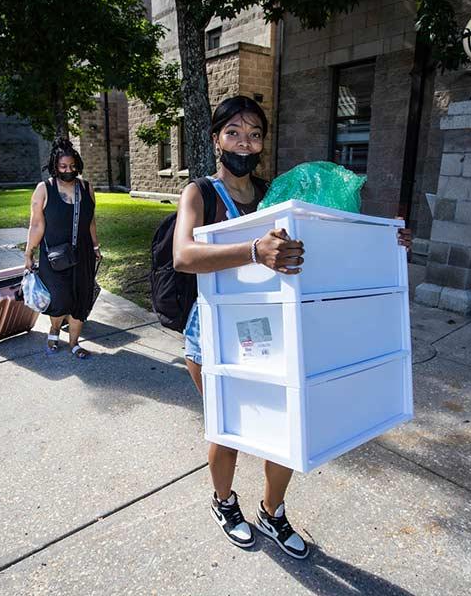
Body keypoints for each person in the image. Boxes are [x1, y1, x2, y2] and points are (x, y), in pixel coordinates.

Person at [172, 96, 412, 559]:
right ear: (215, 138)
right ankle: (224, 502)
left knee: (282, 426)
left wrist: (386, 241)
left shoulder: (277, 193)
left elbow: (327, 241)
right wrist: (252, 251)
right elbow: (183, 256)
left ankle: (272, 511)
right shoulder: (198, 193)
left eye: (254, 134)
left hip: (275, 330)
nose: (245, 142)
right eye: (234, 132)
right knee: (228, 427)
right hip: (216, 333)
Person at [24, 138, 102, 359]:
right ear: (54, 166)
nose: (69, 171)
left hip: (83, 254)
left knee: (81, 300)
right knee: (59, 300)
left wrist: (95, 245)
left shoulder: (86, 188)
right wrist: (29, 252)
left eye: (72, 166)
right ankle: (55, 329)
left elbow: (90, 220)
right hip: (54, 257)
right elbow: (37, 224)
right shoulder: (44, 189)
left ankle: (74, 343)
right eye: (63, 167)